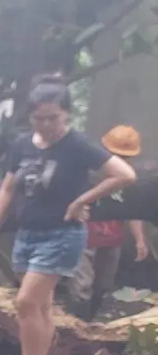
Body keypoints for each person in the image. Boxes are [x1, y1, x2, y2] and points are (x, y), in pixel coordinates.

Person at [0, 74, 137, 355]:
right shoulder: (22, 145)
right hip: (28, 233)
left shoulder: (76, 145)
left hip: (62, 235)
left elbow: (124, 174)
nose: (46, 124)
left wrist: (82, 200)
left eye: (53, 118)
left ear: (66, 114)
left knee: (25, 302)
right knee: (41, 306)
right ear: (30, 116)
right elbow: (8, 189)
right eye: (39, 118)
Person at [68, 125, 149, 320]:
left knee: (103, 285)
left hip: (112, 237)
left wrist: (140, 240)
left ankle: (90, 322)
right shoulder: (88, 173)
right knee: (82, 285)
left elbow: (133, 210)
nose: (121, 160)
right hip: (84, 235)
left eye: (126, 157)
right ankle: (76, 322)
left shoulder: (130, 179)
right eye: (116, 155)